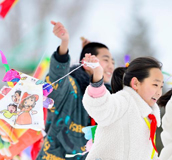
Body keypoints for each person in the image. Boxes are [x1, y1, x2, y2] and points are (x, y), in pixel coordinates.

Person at [37, 21, 114, 160]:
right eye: (106, 60)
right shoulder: (71, 87)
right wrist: (64, 44)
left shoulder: (109, 99)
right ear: (86, 63)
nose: (110, 66)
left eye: (113, 62)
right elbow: (57, 81)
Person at [82, 54, 163, 159]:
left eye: (161, 86)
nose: (159, 92)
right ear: (135, 83)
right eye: (155, 85)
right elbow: (102, 108)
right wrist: (97, 77)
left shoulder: (148, 116)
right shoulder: (124, 101)